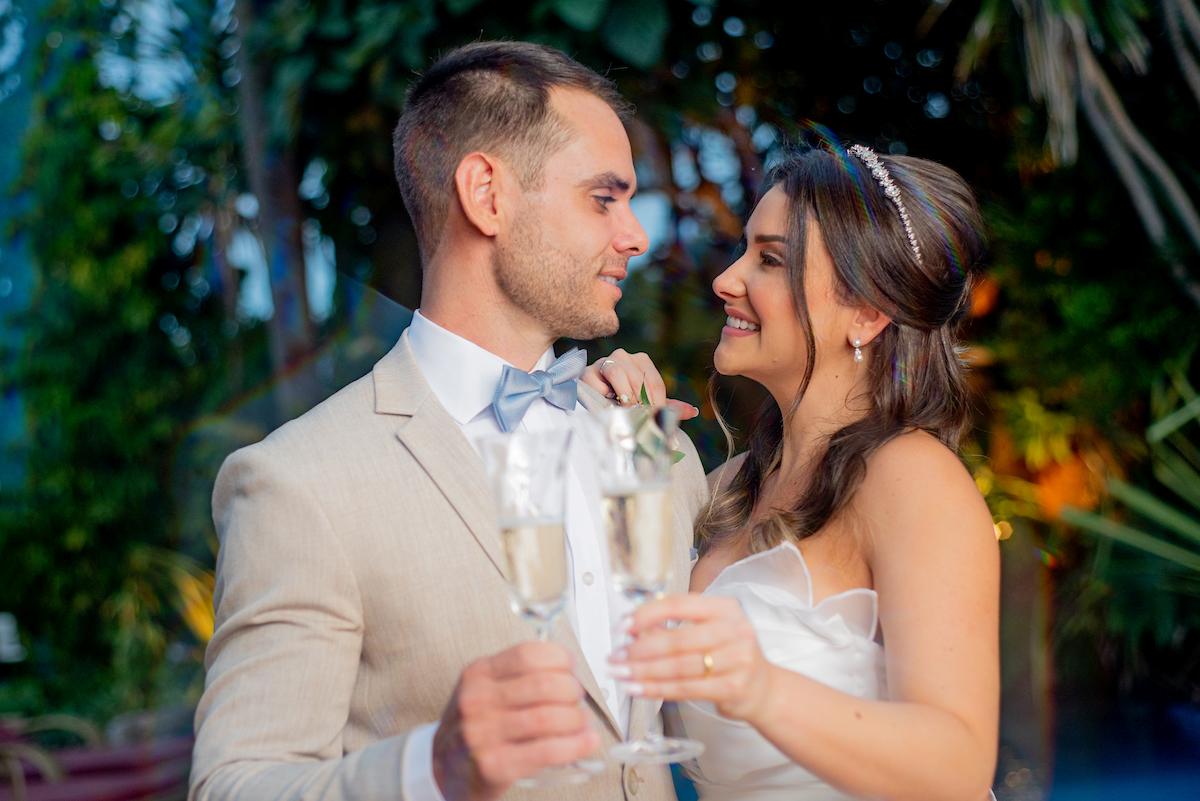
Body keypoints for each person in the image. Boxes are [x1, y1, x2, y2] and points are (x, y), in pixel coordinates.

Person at [189, 41, 709, 801]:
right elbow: (234, 786)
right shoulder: (301, 483)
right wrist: (430, 766)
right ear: (487, 194)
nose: (636, 235)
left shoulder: (645, 433)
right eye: (604, 197)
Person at [586, 144, 999, 800]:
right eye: (744, 249)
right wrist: (611, 437)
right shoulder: (728, 487)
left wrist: (762, 687)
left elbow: (960, 763)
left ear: (866, 312)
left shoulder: (913, 481)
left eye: (770, 260)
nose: (726, 279)